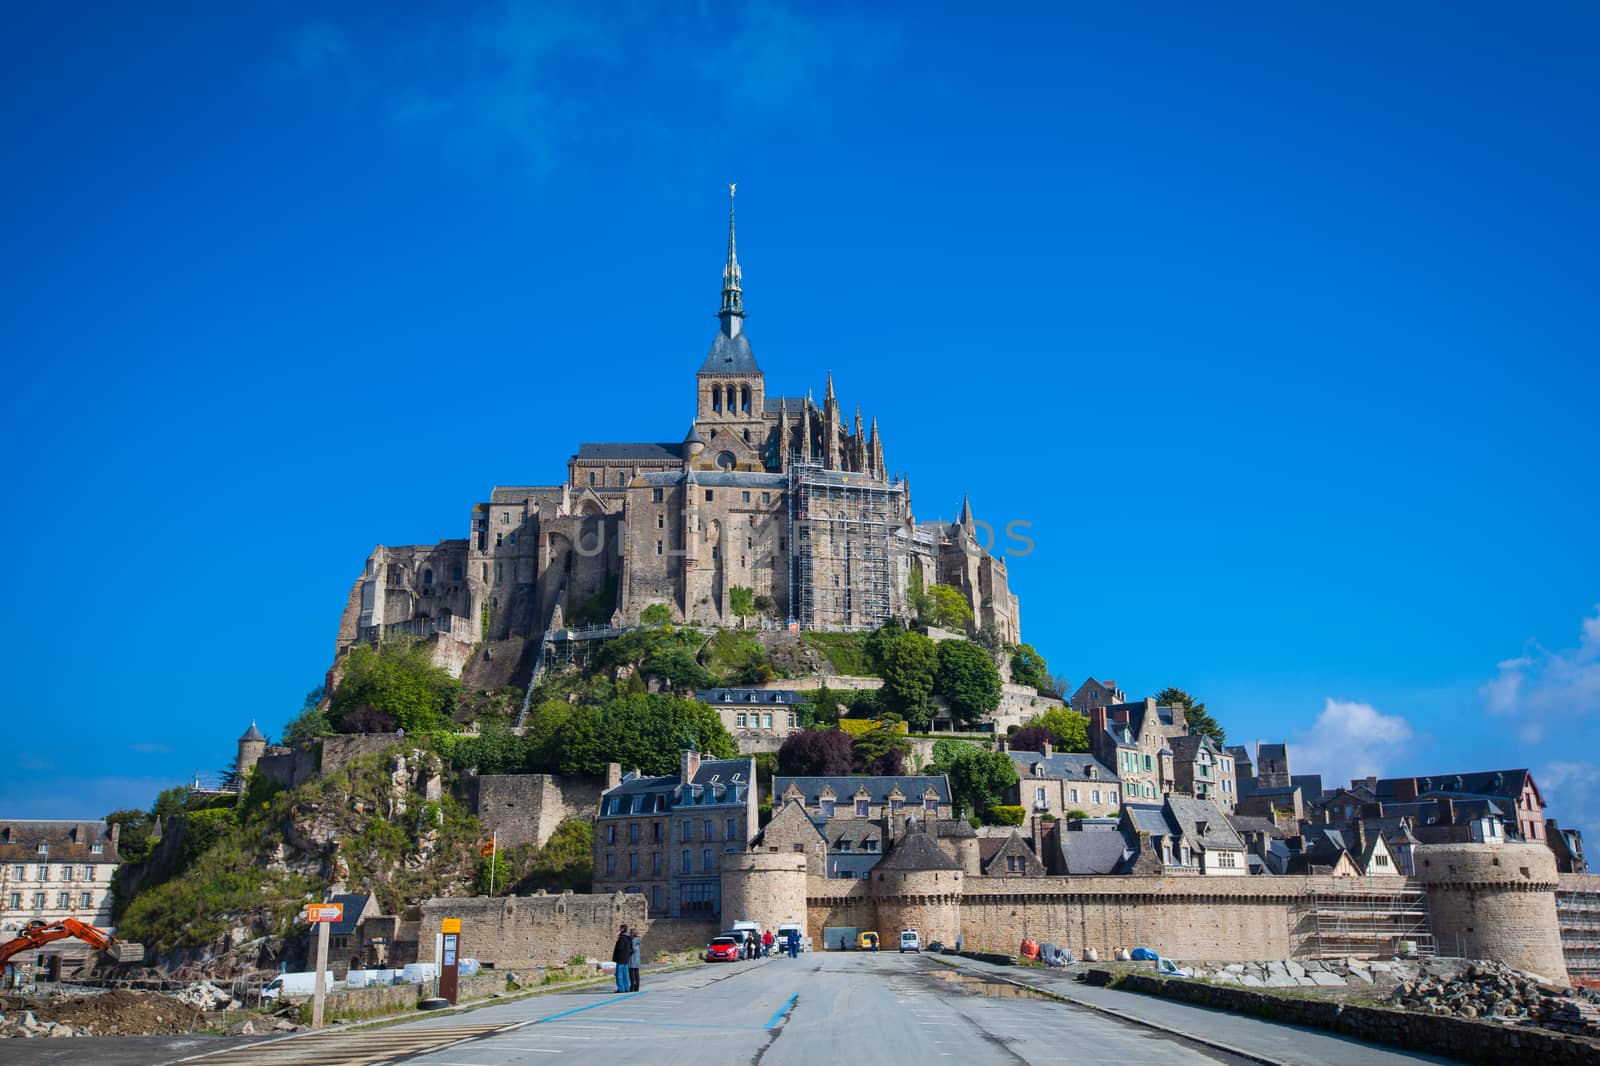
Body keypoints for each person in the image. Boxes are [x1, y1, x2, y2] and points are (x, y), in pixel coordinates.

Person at [612, 925, 633, 993]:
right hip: (626, 958)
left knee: (619, 974)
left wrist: (619, 936)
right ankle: (627, 988)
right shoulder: (629, 938)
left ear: (622, 929)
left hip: (620, 958)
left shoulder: (622, 938)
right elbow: (631, 949)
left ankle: (621, 988)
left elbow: (620, 948)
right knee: (625, 974)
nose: (619, 929)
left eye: (620, 928)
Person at [629, 927, 642, 992]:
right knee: (636, 974)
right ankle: (637, 987)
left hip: (632, 959)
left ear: (633, 933)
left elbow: (633, 949)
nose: (629, 934)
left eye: (630, 932)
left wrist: (627, 952)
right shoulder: (638, 939)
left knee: (632, 975)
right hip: (637, 959)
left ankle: (632, 987)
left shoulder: (633, 940)